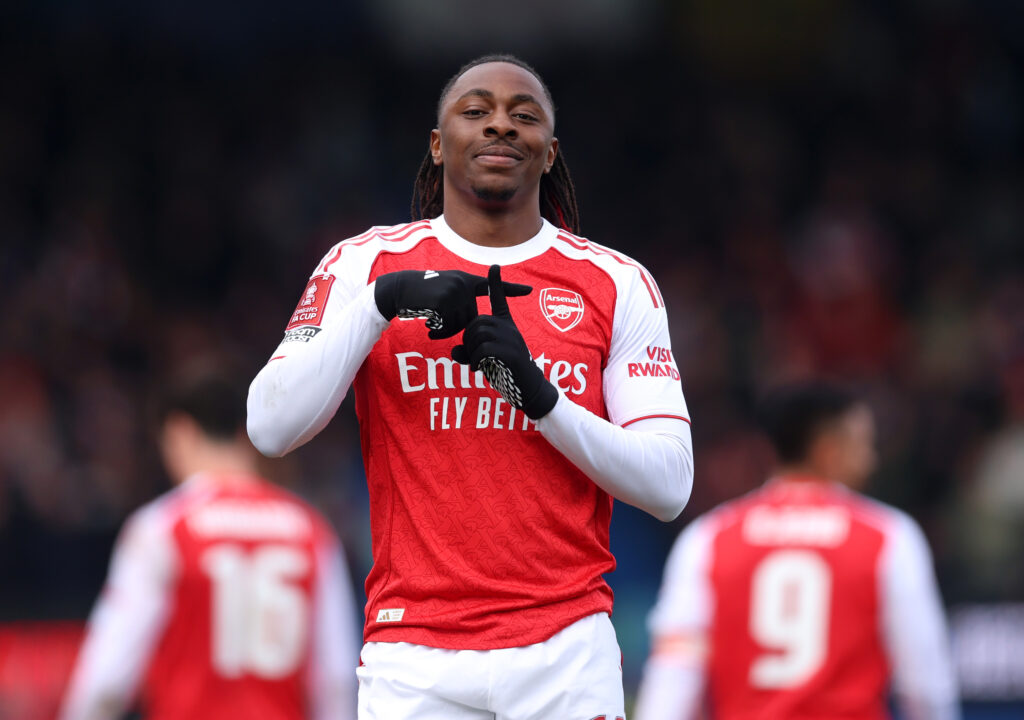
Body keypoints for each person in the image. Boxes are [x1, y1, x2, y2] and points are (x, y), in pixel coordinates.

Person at [247, 54, 694, 719]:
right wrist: (380, 303)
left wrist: (541, 398)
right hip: (412, 656)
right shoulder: (364, 264)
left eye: (524, 116)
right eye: (476, 111)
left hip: (566, 652)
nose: (501, 128)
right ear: (437, 144)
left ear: (550, 154)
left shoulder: (616, 282)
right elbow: (269, 426)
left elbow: (668, 485)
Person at [634, 382, 960, 720]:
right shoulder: (889, 536)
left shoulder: (708, 538)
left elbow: (672, 683)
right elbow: (926, 690)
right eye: (862, 445)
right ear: (828, 449)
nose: (872, 460)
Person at [60, 369, 359, 720]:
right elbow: (336, 679)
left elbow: (106, 680)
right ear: (243, 433)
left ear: (179, 432)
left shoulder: (163, 528)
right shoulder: (311, 531)